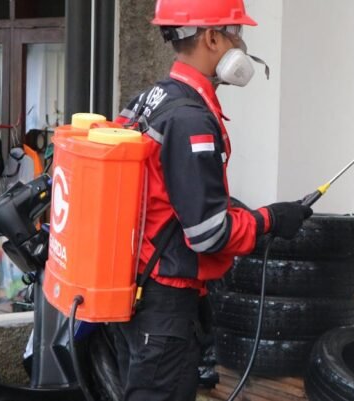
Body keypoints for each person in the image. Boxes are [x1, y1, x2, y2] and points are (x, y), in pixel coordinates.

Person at [112, 1, 312, 399]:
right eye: (237, 32)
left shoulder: (147, 101)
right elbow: (207, 234)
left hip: (139, 289)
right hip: (165, 303)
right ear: (212, 37)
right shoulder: (190, 120)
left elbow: (161, 199)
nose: (242, 43)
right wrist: (270, 220)